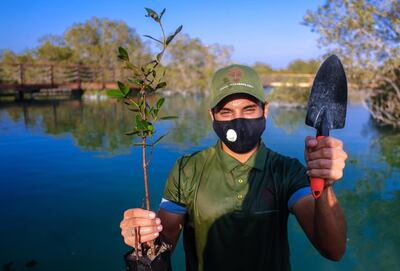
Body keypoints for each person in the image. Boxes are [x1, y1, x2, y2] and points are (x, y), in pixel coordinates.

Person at [120, 64, 348, 270]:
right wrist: (143, 237)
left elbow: (333, 250)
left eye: (249, 109)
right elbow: (165, 244)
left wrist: (325, 186)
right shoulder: (187, 169)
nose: (238, 121)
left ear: (265, 110)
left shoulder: (287, 170)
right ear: (212, 115)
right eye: (226, 112)